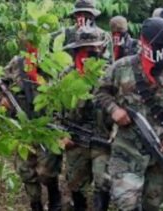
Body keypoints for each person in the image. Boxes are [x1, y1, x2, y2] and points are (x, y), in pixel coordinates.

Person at [96, 17, 163, 211]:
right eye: (152, 45)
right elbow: (100, 93)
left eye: (161, 45)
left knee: (152, 206)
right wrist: (114, 109)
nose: (156, 50)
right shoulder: (121, 67)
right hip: (127, 150)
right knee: (127, 204)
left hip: (160, 155)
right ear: (142, 40)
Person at [0, 42, 62, 211]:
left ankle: (54, 197)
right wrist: (3, 99)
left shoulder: (51, 62)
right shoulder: (17, 63)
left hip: (48, 125)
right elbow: (0, 81)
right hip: (23, 126)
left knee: (47, 171)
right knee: (26, 171)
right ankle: (36, 205)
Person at [61, 26, 112, 211]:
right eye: (82, 50)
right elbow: (55, 110)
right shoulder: (66, 75)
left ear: (101, 50)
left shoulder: (111, 73)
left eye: (92, 50)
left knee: (103, 182)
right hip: (76, 140)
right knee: (75, 184)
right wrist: (62, 135)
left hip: (103, 138)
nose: (86, 55)